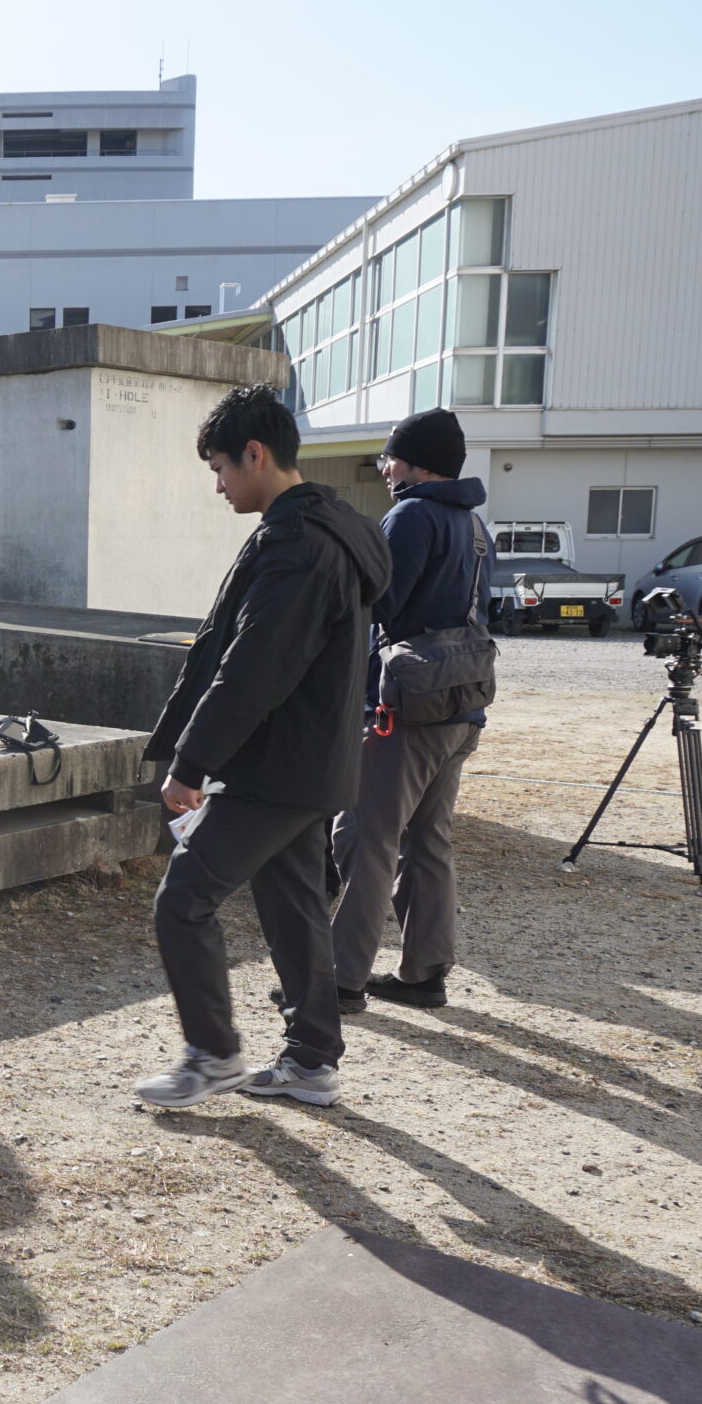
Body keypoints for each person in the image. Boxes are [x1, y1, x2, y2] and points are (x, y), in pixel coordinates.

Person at [134, 385, 390, 1111]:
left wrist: (191, 763)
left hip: (276, 765)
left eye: (220, 468)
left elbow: (254, 667)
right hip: (311, 760)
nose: (218, 485)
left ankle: (213, 1055)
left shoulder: (298, 544)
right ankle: (311, 1061)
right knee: (294, 908)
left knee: (182, 900)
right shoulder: (333, 530)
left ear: (255, 454)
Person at [331, 407, 491, 1011]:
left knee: (364, 835)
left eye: (390, 457)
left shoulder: (412, 515)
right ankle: (424, 973)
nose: (385, 468)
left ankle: (338, 979)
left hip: (404, 707)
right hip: (461, 705)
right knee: (428, 841)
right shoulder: (474, 524)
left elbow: (376, 606)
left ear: (416, 463)